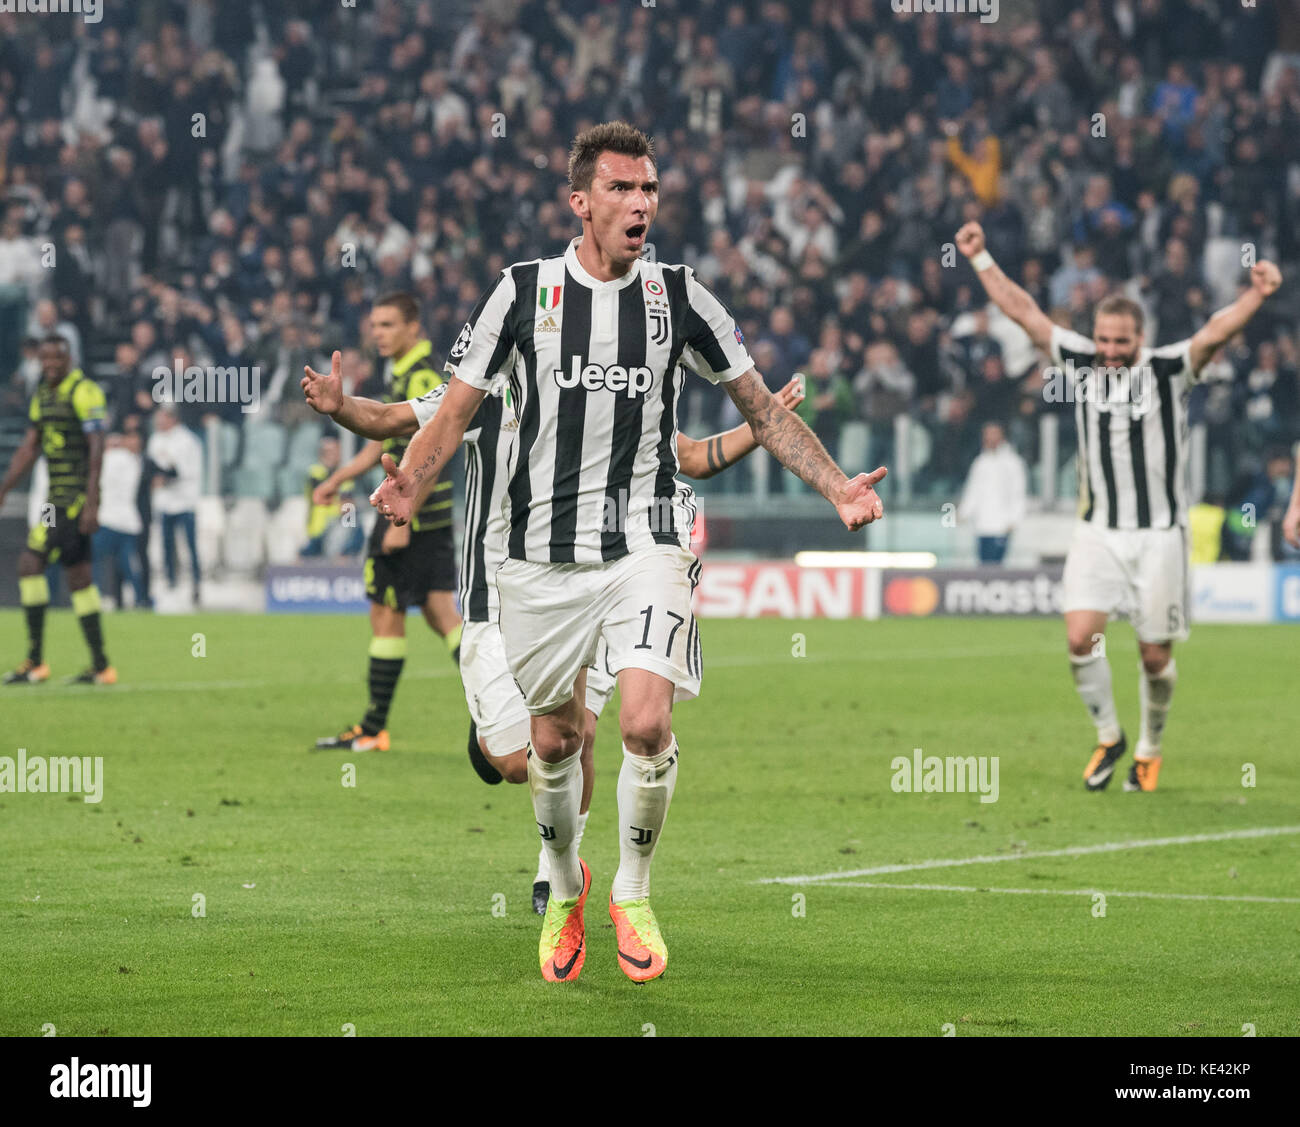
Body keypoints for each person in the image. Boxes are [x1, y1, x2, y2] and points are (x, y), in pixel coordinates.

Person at [368, 121, 885, 983]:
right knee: (555, 741)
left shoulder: (680, 297)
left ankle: (633, 889)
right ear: (581, 202)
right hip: (536, 563)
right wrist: (411, 485)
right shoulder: (522, 293)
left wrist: (836, 486)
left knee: (646, 720)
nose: (640, 203)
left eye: (649, 189)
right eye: (621, 189)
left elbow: (759, 405)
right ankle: (566, 884)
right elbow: (453, 409)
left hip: (643, 539)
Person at [303, 348, 803, 915]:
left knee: (578, 735)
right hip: (495, 604)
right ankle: (493, 737)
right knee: (519, 764)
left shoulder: (612, 405)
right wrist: (340, 406)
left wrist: (761, 429)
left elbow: (685, 454)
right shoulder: (485, 400)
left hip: (580, 594)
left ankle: (558, 877)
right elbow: (390, 418)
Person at [956, 219, 1283, 794]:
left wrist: (1255, 293)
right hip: (1097, 532)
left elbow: (1214, 331)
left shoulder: (1169, 369)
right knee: (1080, 636)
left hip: (1159, 535)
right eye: (1103, 340)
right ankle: (1110, 737)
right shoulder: (1077, 361)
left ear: (1140, 337)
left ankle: (1151, 748)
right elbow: (1023, 310)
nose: (1108, 351)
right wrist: (981, 259)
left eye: (1120, 342)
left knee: (1154, 657)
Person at [310, 292, 463, 753]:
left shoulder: (420, 375)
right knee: (442, 615)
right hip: (426, 518)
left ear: (413, 328)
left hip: (408, 517)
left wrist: (400, 523)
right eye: (375, 325)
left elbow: (430, 446)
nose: (378, 333)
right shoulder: (405, 373)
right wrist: (340, 477)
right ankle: (501, 697)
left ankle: (374, 727)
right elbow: (384, 436)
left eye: (389, 325)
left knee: (385, 612)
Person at [0, 336, 115, 685]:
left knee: (31, 562)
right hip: (53, 499)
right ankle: (100, 666)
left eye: (56, 359)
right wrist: (4, 488)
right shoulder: (43, 395)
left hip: (75, 499)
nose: (49, 364)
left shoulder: (84, 391)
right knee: (78, 577)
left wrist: (92, 501)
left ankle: (36, 661)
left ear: (69, 359)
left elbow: (97, 448)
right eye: (44, 359)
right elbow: (29, 447)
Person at [146, 405, 204, 605]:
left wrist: (166, 478)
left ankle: (196, 585)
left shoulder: (187, 441)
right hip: (165, 502)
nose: (159, 423)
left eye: (162, 419)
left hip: (185, 501)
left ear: (172, 419)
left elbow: (187, 471)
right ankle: (171, 584)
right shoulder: (155, 440)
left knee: (190, 546)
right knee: (167, 546)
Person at [958, 422, 1027, 564]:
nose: (989, 438)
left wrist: (1014, 519)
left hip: (1002, 525)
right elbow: (973, 491)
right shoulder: (980, 462)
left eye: (993, 434)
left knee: (997, 565)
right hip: (982, 525)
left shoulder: (1012, 462)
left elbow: (1018, 493)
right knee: (983, 564)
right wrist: (963, 512)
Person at [92, 431, 146, 607]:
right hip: (128, 521)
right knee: (128, 564)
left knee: (96, 561)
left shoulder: (107, 460)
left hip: (106, 519)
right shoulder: (133, 461)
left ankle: (100, 597)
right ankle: (139, 598)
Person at [302, 434, 363, 557]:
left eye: (334, 451)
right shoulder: (315, 471)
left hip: (336, 528)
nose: (331, 456)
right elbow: (321, 489)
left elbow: (347, 503)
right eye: (327, 452)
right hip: (317, 528)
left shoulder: (345, 476)